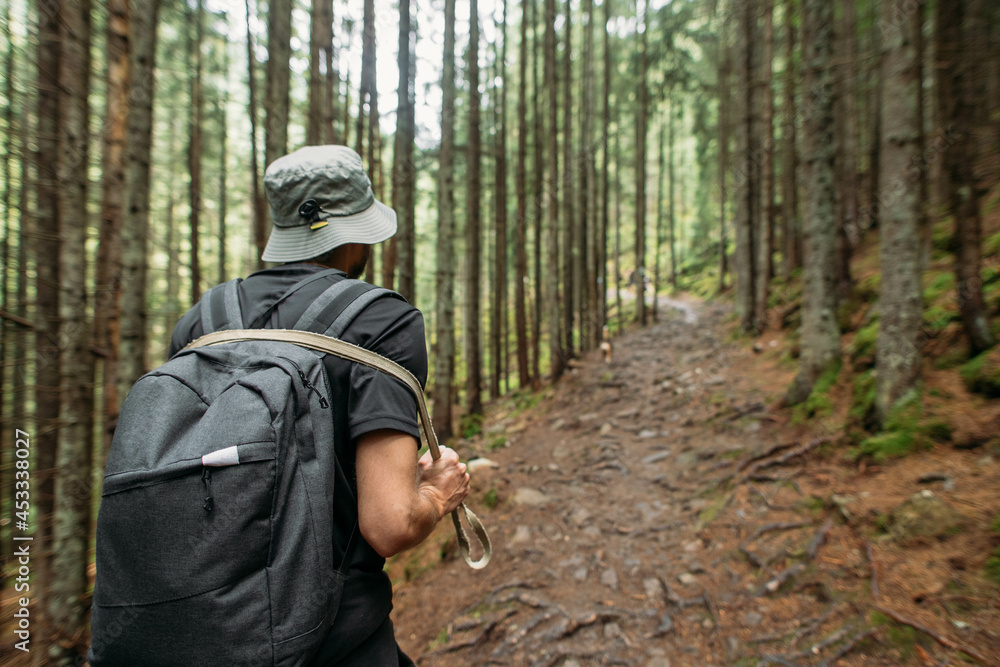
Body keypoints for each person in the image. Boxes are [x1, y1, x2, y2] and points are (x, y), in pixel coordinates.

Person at [168, 145, 471, 665]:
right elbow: (390, 523)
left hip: (197, 629)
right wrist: (437, 493)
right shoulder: (381, 322)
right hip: (327, 638)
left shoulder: (202, 321)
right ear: (356, 235)